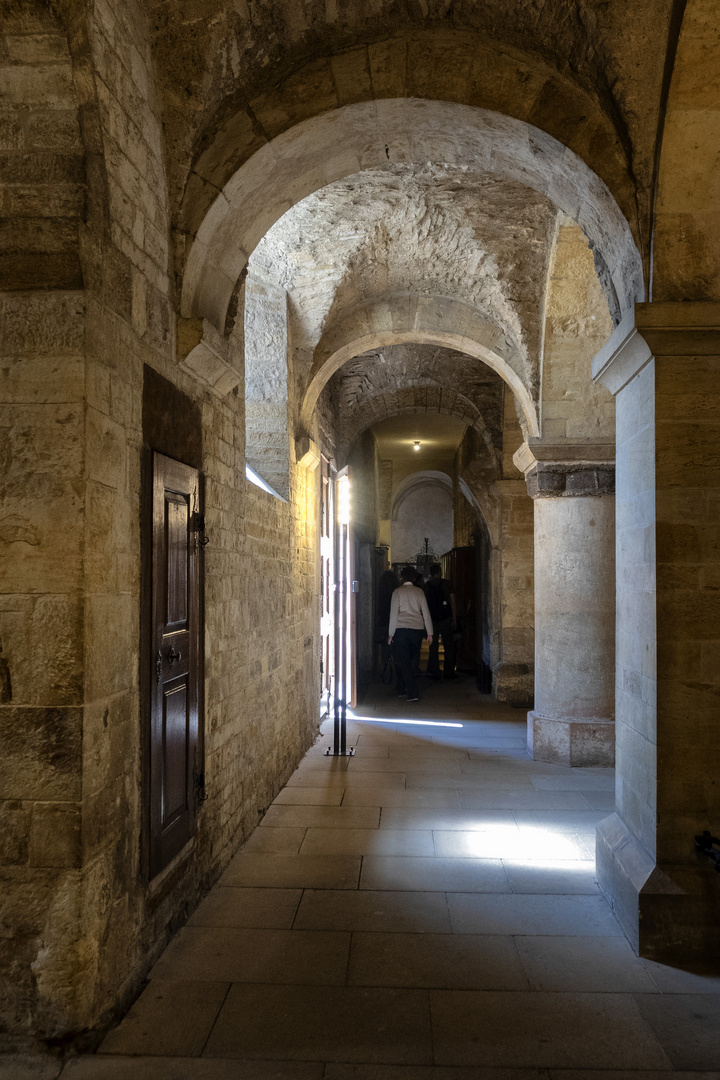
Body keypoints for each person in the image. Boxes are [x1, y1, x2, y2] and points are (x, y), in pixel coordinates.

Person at [388, 565, 433, 702]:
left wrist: (391, 634)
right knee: (408, 660)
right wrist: (429, 632)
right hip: (417, 630)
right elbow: (426, 613)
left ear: (402, 578)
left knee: (404, 662)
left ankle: (413, 693)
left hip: (401, 630)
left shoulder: (397, 592)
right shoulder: (419, 592)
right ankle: (401, 688)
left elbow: (394, 614)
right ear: (414, 578)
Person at [423, 562, 457, 679]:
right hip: (445, 618)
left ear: (431, 574)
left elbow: (424, 605)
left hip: (432, 619)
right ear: (440, 572)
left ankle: (434, 670)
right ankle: (448, 671)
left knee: (433, 646)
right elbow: (452, 602)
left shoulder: (427, 586)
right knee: (448, 645)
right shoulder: (447, 584)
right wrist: (454, 618)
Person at [375, 568, 400, 683]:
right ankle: (396, 671)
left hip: (384, 622)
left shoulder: (380, 591)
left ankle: (384, 668)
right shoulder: (397, 592)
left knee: (385, 648)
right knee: (396, 648)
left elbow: (380, 609)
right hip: (396, 622)